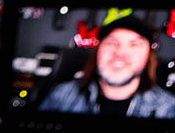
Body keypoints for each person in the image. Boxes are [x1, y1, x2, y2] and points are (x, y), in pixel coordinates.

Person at [39, 14, 175, 118]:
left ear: (149, 57)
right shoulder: (60, 96)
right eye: (111, 42)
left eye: (135, 44)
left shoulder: (169, 108)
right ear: (97, 51)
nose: (121, 52)